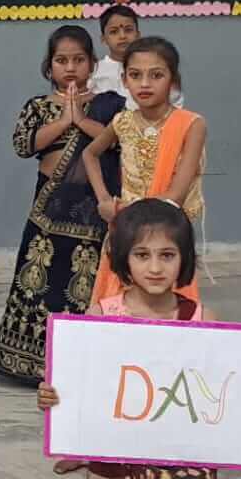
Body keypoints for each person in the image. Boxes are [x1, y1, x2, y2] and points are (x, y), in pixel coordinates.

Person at [37, 200, 241, 479]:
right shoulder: (101, 318)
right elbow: (81, 387)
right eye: (142, 255)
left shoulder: (202, 319)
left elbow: (229, 390)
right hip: (120, 459)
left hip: (186, 457)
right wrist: (54, 398)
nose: (155, 267)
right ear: (123, 258)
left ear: (184, 259)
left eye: (167, 255)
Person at [0, 26, 124, 385]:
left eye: (79, 60)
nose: (70, 67)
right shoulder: (38, 106)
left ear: (92, 64)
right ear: (49, 67)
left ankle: (78, 364)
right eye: (62, 60)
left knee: (84, 284)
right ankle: (26, 364)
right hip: (47, 214)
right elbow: (23, 145)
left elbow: (118, 142)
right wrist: (65, 120)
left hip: (92, 212)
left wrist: (82, 120)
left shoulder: (109, 105)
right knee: (36, 282)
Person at [81, 37, 206, 307]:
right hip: (125, 231)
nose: (145, 84)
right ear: (124, 80)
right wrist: (104, 200)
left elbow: (175, 196)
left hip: (166, 234)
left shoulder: (191, 124)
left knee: (169, 311)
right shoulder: (122, 122)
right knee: (118, 307)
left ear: (173, 80)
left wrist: (122, 210)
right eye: (136, 75)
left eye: (156, 75)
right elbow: (89, 154)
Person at [88, 6, 183, 107]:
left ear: (138, 35)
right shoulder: (95, 71)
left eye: (128, 30)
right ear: (103, 39)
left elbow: (174, 100)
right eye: (114, 32)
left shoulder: (153, 66)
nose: (122, 36)